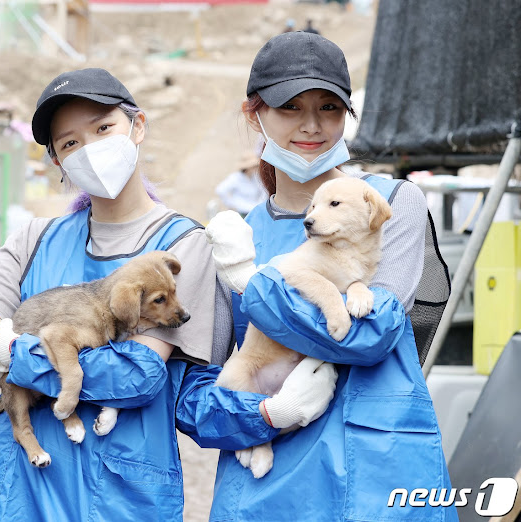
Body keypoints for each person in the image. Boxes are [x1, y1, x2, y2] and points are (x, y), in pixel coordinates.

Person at [0, 67, 334, 521]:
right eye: (70, 143)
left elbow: (133, 376)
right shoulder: (33, 240)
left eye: (103, 129)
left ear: (137, 126)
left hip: (120, 496)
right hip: (19, 491)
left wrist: (16, 354)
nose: (91, 150)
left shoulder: (184, 247)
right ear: (58, 162)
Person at [175, 32, 458, 521]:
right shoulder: (231, 238)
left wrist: (254, 283)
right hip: (265, 492)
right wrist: (263, 415)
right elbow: (194, 395)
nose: (311, 125)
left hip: (377, 485)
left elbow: (368, 334)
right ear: (254, 114)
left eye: (328, 107)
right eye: (289, 107)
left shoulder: (389, 204)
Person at [214, 151, 267, 217]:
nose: (256, 168)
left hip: (254, 210)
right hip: (242, 212)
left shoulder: (255, 177)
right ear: (247, 167)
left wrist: (260, 204)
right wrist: (232, 204)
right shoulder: (235, 178)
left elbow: (263, 190)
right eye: (254, 166)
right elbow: (220, 190)